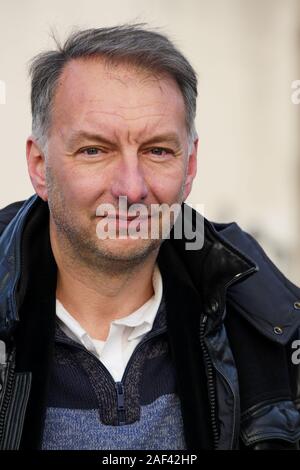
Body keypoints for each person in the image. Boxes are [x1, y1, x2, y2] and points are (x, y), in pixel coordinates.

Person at [0, 24, 300, 451]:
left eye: (157, 150)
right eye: (94, 150)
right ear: (38, 165)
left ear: (190, 165)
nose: (131, 188)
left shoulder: (272, 336)